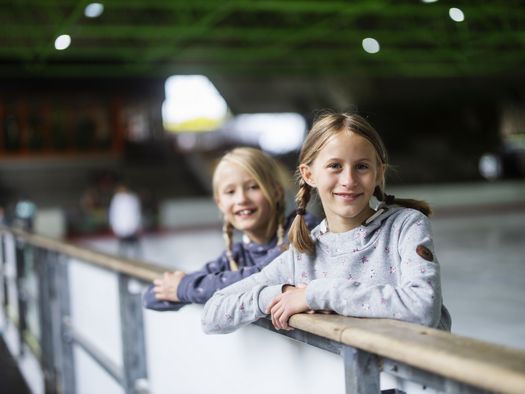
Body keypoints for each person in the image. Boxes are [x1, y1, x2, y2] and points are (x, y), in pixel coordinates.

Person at [202, 112, 451, 334]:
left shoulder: (405, 226)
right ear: (309, 175)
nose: (349, 179)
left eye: (362, 167)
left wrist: (315, 295)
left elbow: (422, 307)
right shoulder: (303, 253)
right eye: (334, 166)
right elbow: (213, 312)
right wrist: (281, 294)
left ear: (378, 173)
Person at [144, 147, 319, 311]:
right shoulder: (236, 256)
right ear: (219, 203)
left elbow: (261, 277)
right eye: (230, 191)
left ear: (276, 192)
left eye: (253, 187)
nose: (241, 199)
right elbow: (151, 298)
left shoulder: (302, 230)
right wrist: (181, 288)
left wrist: (186, 287)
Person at [109, 184, 142, 258]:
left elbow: (136, 213)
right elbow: (113, 214)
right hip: (121, 228)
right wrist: (115, 227)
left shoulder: (132, 198)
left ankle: (138, 261)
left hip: (131, 227)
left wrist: (135, 225)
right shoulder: (116, 200)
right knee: (123, 248)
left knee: (135, 247)